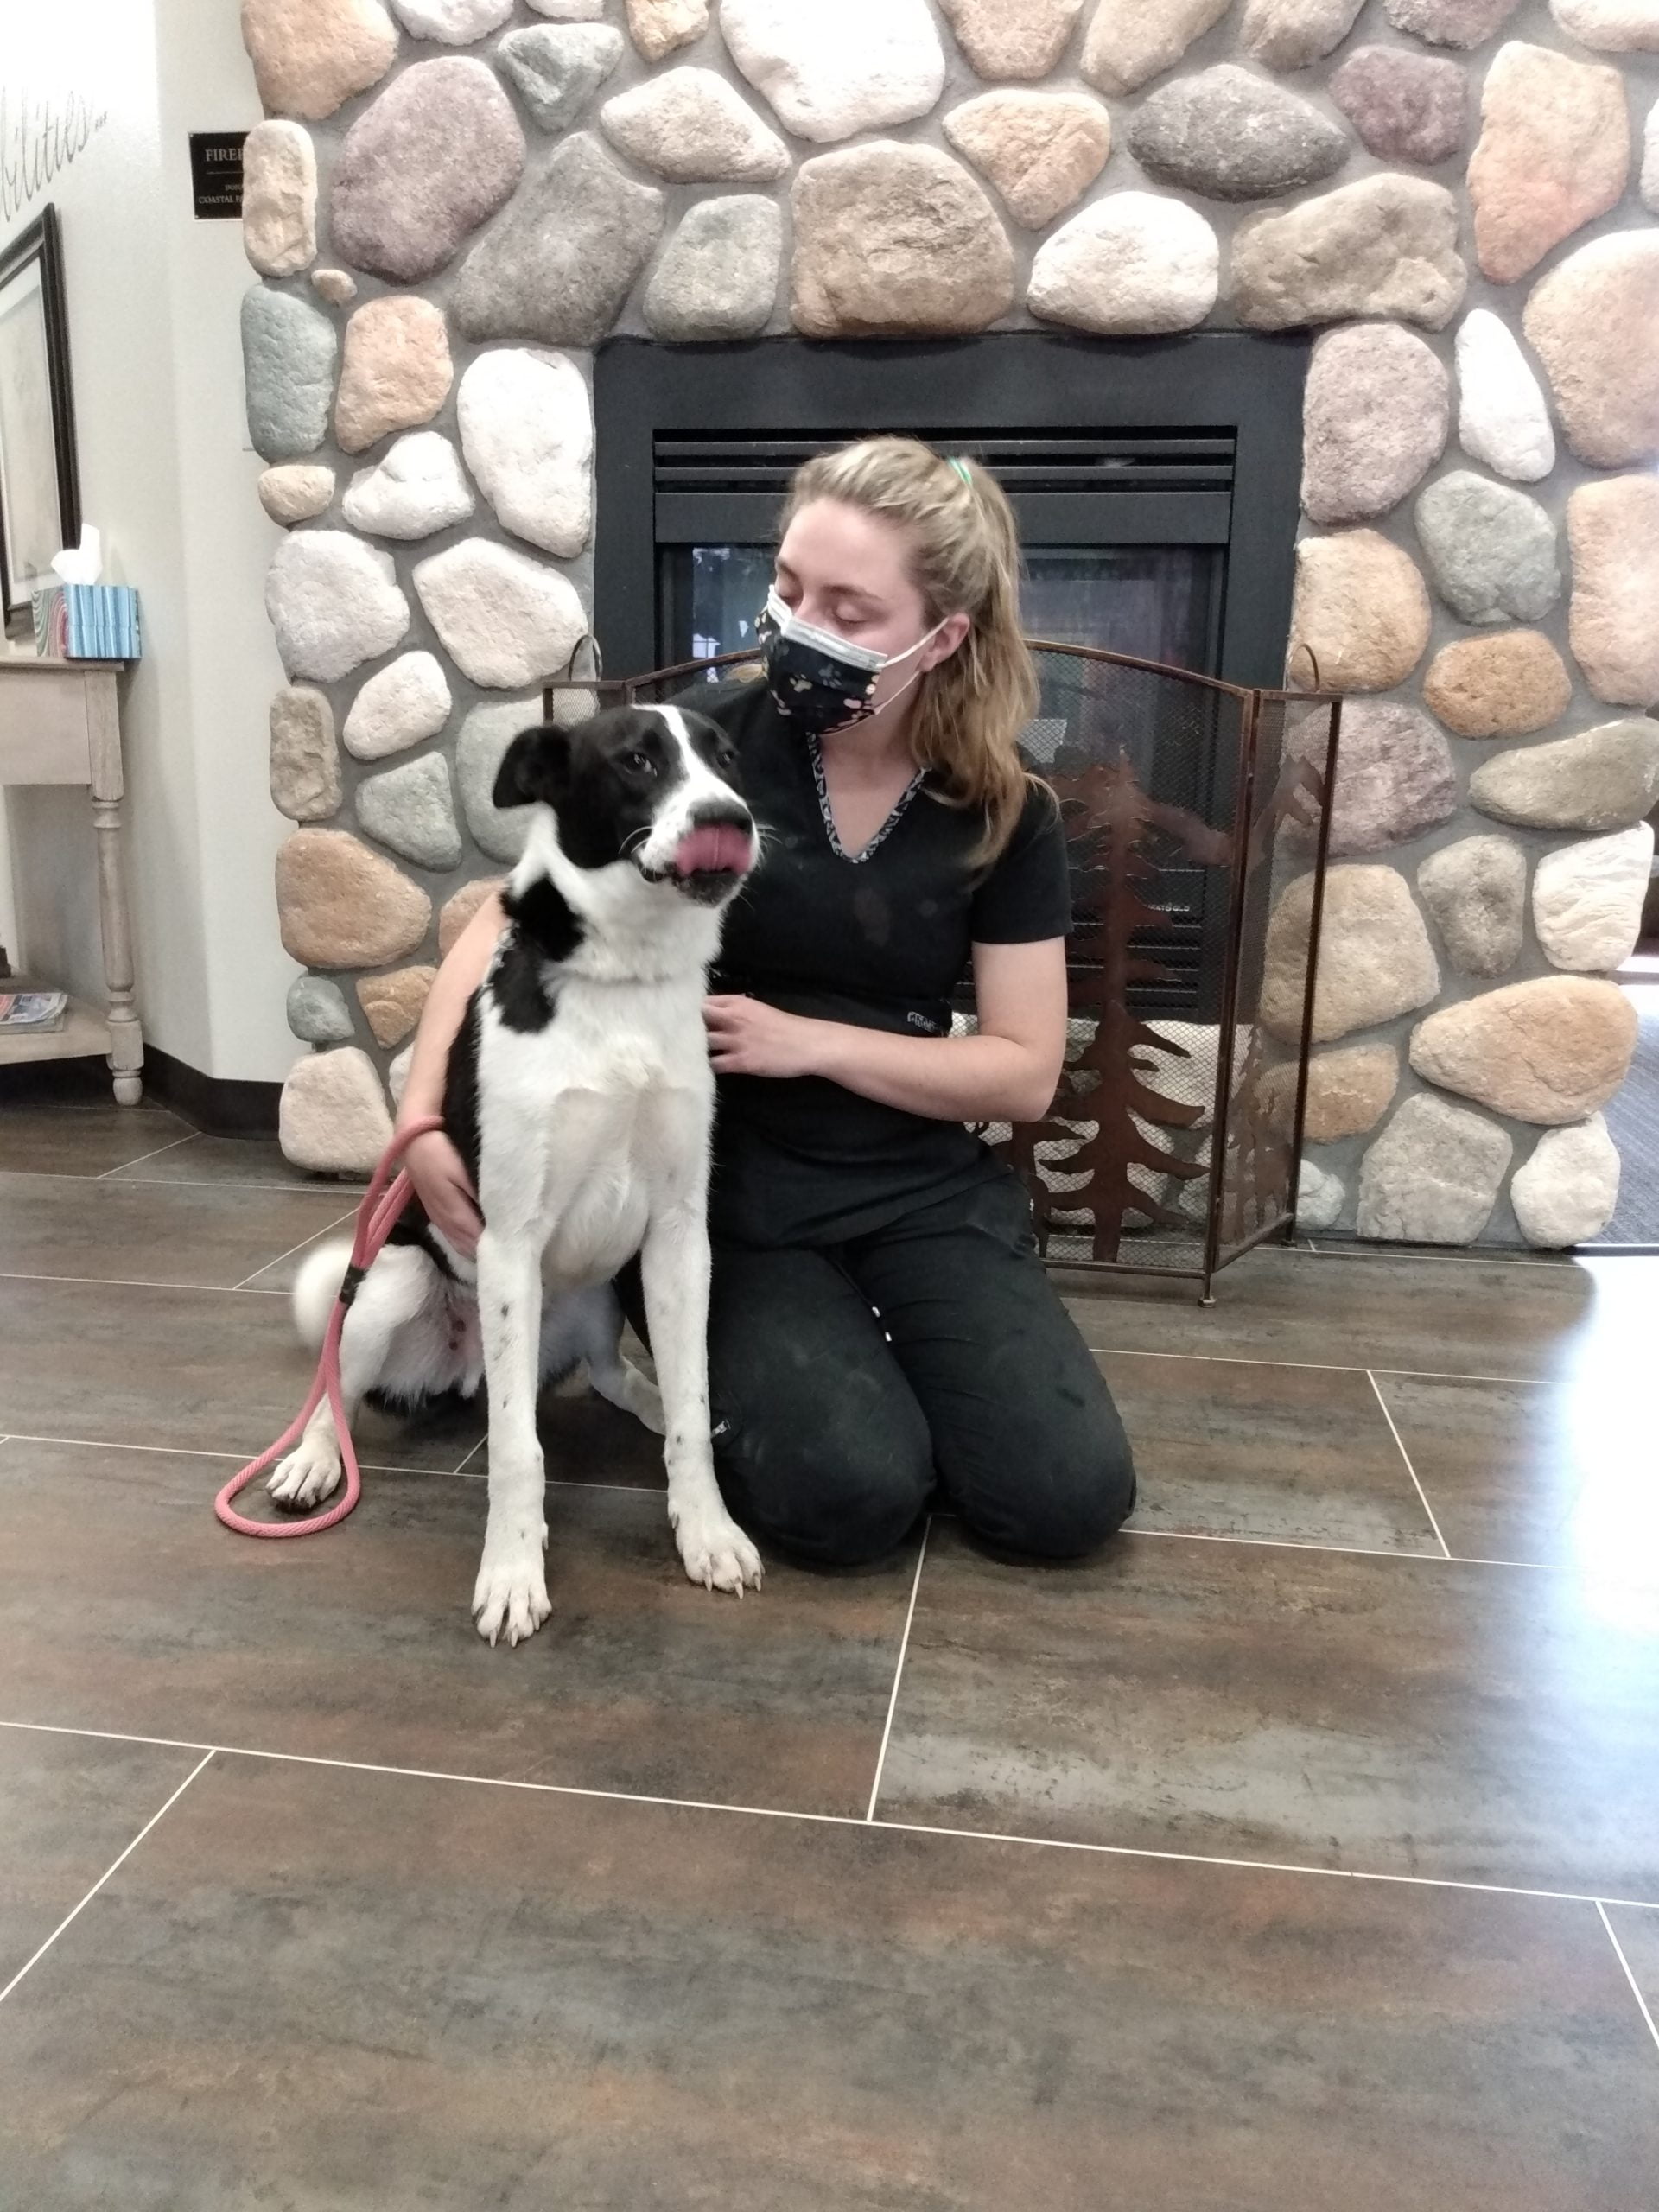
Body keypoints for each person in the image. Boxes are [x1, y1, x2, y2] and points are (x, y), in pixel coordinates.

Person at [395, 436, 1135, 1568]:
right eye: (789, 586)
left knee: (1066, 1499)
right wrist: (416, 1116)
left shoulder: (1004, 813)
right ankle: (829, 1369)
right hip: (738, 1199)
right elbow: (517, 914)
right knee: (845, 1501)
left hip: (919, 1191)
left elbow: (1026, 1072)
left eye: (848, 607)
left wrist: (811, 1043)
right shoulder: (706, 747)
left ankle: (889, 1351)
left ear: (941, 638)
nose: (796, 624)